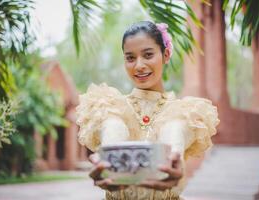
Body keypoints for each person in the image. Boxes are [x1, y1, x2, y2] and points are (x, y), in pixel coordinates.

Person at [75, 21, 219, 200]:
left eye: (148, 55)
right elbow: (111, 133)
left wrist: (174, 165)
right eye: (130, 58)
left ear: (166, 55)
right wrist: (106, 164)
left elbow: (176, 137)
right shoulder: (108, 108)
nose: (139, 65)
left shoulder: (185, 113)